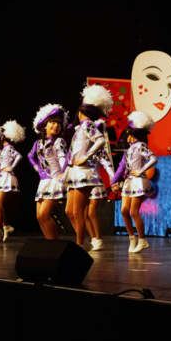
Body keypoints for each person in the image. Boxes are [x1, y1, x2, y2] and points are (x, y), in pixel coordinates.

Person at [62, 84, 113, 248]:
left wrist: (86, 156)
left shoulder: (88, 125)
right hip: (75, 171)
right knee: (69, 211)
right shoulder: (81, 127)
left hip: (84, 171)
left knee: (78, 211)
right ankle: (83, 240)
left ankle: (80, 244)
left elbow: (100, 140)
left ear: (81, 111)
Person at [111, 111, 157, 253]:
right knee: (124, 210)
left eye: (127, 133)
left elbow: (153, 159)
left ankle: (142, 240)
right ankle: (132, 237)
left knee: (134, 212)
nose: (126, 136)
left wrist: (140, 170)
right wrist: (113, 181)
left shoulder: (141, 145)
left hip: (138, 181)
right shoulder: (129, 149)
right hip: (129, 182)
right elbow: (121, 167)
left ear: (132, 134)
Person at [28, 104, 68, 241]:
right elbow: (30, 156)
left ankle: (55, 244)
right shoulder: (38, 143)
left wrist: (63, 173)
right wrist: (36, 167)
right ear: (45, 126)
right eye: (53, 123)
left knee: (45, 214)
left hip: (54, 180)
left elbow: (63, 158)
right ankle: (50, 243)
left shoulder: (59, 141)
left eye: (59, 124)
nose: (56, 126)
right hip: (43, 182)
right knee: (39, 216)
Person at [84, 120, 116, 251]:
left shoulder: (99, 151)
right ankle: (93, 239)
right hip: (83, 182)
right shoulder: (82, 149)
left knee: (92, 213)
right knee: (84, 214)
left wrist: (114, 181)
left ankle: (99, 239)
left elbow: (108, 166)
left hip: (95, 183)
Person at [0, 120, 25, 241]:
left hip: (7, 176)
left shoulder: (9, 147)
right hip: (1, 177)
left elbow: (19, 156)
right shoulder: (3, 149)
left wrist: (11, 167)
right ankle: (6, 226)